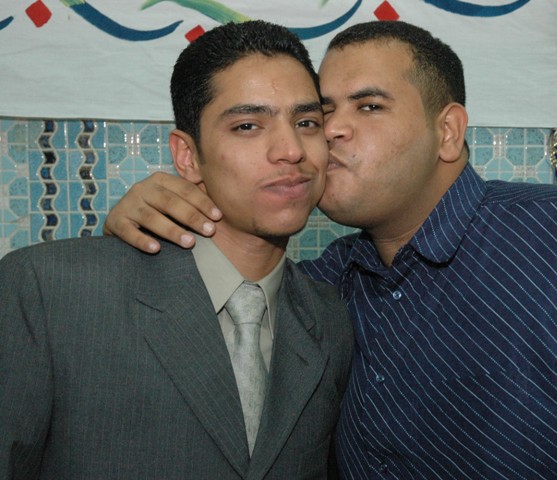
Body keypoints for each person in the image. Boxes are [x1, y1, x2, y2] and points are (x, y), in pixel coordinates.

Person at [103, 20, 557, 479]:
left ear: (447, 131)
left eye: (368, 106)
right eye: (322, 114)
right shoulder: (324, 286)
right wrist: (148, 219)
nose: (330, 131)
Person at [0, 21, 353, 479]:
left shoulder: (330, 318)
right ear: (187, 156)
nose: (290, 149)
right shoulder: (50, 291)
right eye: (247, 126)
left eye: (306, 123)